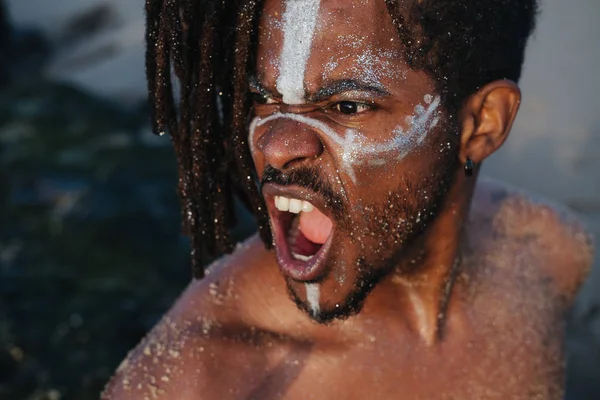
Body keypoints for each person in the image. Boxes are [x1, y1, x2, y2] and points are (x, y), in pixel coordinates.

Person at [103, 0, 594, 398]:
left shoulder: (549, 255)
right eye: (265, 99)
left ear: (481, 124)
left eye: (347, 106)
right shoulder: (207, 378)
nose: (274, 145)